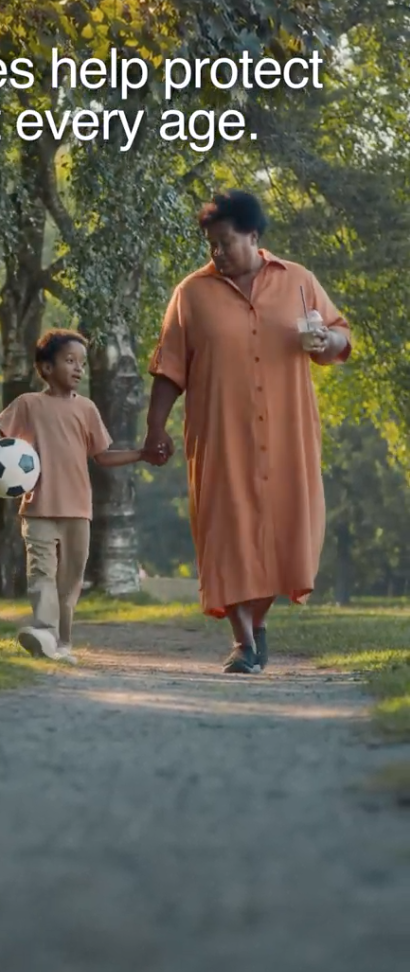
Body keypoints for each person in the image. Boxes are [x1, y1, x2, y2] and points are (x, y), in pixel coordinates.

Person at [143, 189, 352, 675]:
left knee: (287, 537)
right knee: (226, 535)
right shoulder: (191, 293)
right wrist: (156, 427)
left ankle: (256, 625)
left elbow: (338, 341)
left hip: (288, 434)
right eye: (211, 243)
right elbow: (169, 369)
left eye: (226, 241)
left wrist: (327, 337)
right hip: (220, 437)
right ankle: (242, 642)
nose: (217, 251)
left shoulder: (298, 281)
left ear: (253, 236)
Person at [0, 328, 149, 665]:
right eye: (70, 361)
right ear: (46, 367)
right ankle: (44, 632)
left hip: (79, 510)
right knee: (41, 574)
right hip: (38, 508)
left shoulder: (87, 410)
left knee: (70, 583)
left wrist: (140, 453)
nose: (78, 369)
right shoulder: (28, 405)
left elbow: (103, 456)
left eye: (82, 363)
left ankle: (62, 642)